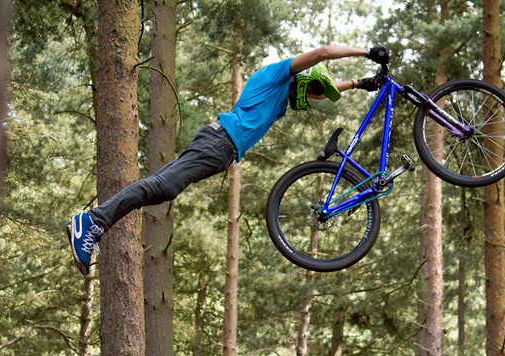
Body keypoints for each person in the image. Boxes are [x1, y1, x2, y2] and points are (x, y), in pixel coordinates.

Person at [67, 45, 390, 275]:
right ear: (304, 80)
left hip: (219, 147)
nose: (314, 99)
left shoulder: (280, 98)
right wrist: (366, 52)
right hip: (219, 143)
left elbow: (322, 89)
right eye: (314, 92)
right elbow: (320, 54)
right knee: (164, 187)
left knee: (162, 188)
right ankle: (93, 221)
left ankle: (96, 223)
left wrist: (359, 84)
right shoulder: (275, 75)